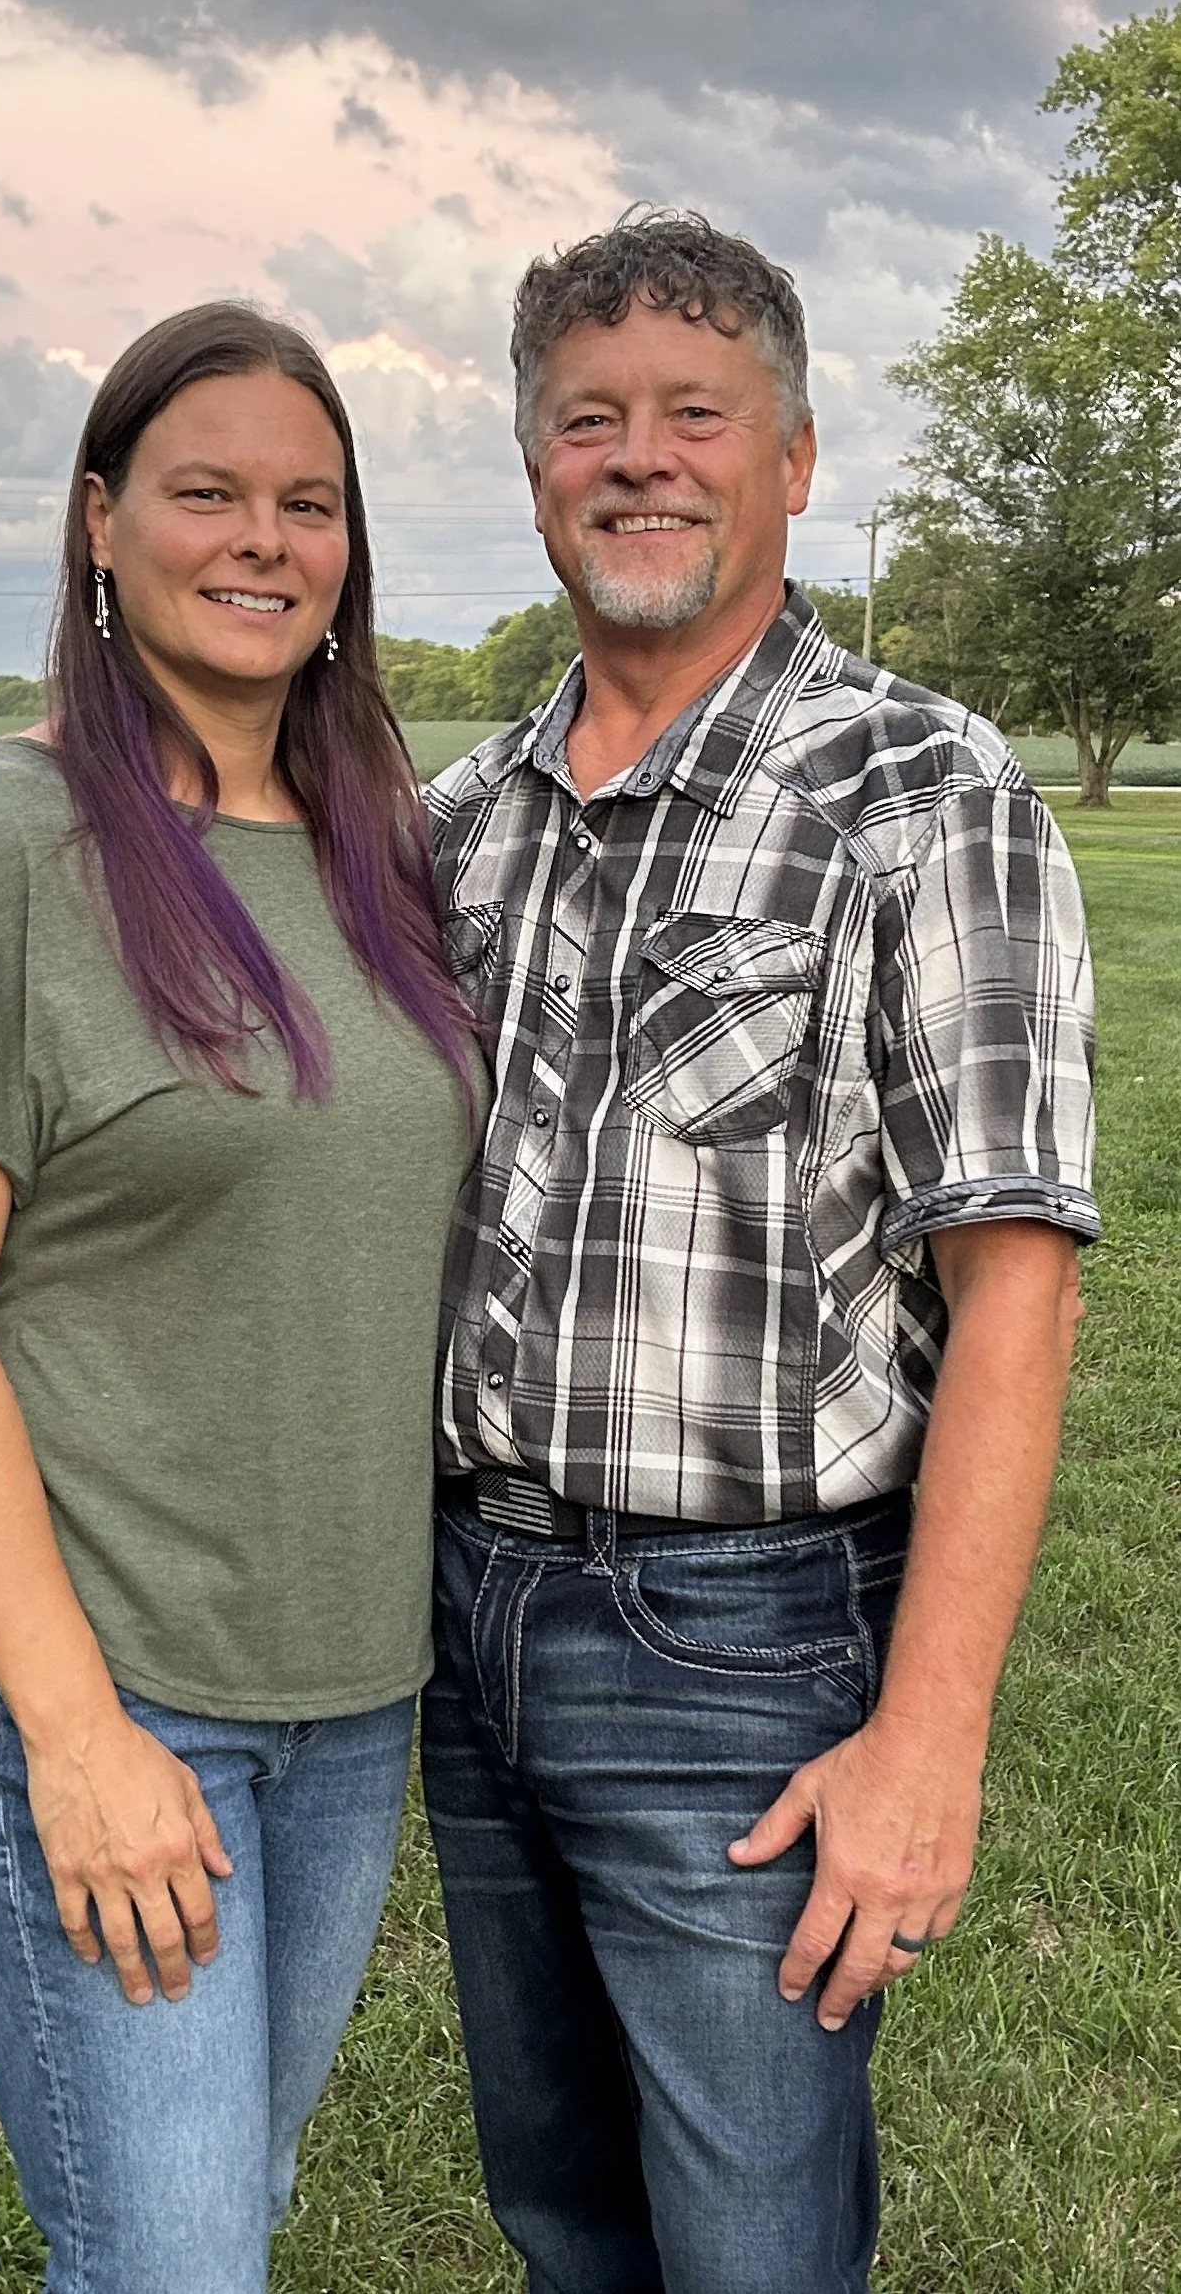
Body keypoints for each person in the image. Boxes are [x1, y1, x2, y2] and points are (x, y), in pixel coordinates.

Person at [421, 209, 1098, 2294]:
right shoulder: (464, 820)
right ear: (535, 467)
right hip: (464, 1606)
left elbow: (1017, 1288)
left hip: (738, 1643)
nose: (639, 459)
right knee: (559, 2211)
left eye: (693, 416)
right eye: (587, 420)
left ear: (790, 460)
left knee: (747, 2248)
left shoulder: (922, 792)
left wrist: (925, 1742)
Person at [0, 301, 483, 2293]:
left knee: (211, 2221)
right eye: (205, 493)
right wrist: (78, 1735)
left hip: (353, 1689)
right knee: (175, 2261)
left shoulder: (383, 853)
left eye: (307, 503)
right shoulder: (0, 841)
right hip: (107, 1685)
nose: (260, 541)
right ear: (100, 524)